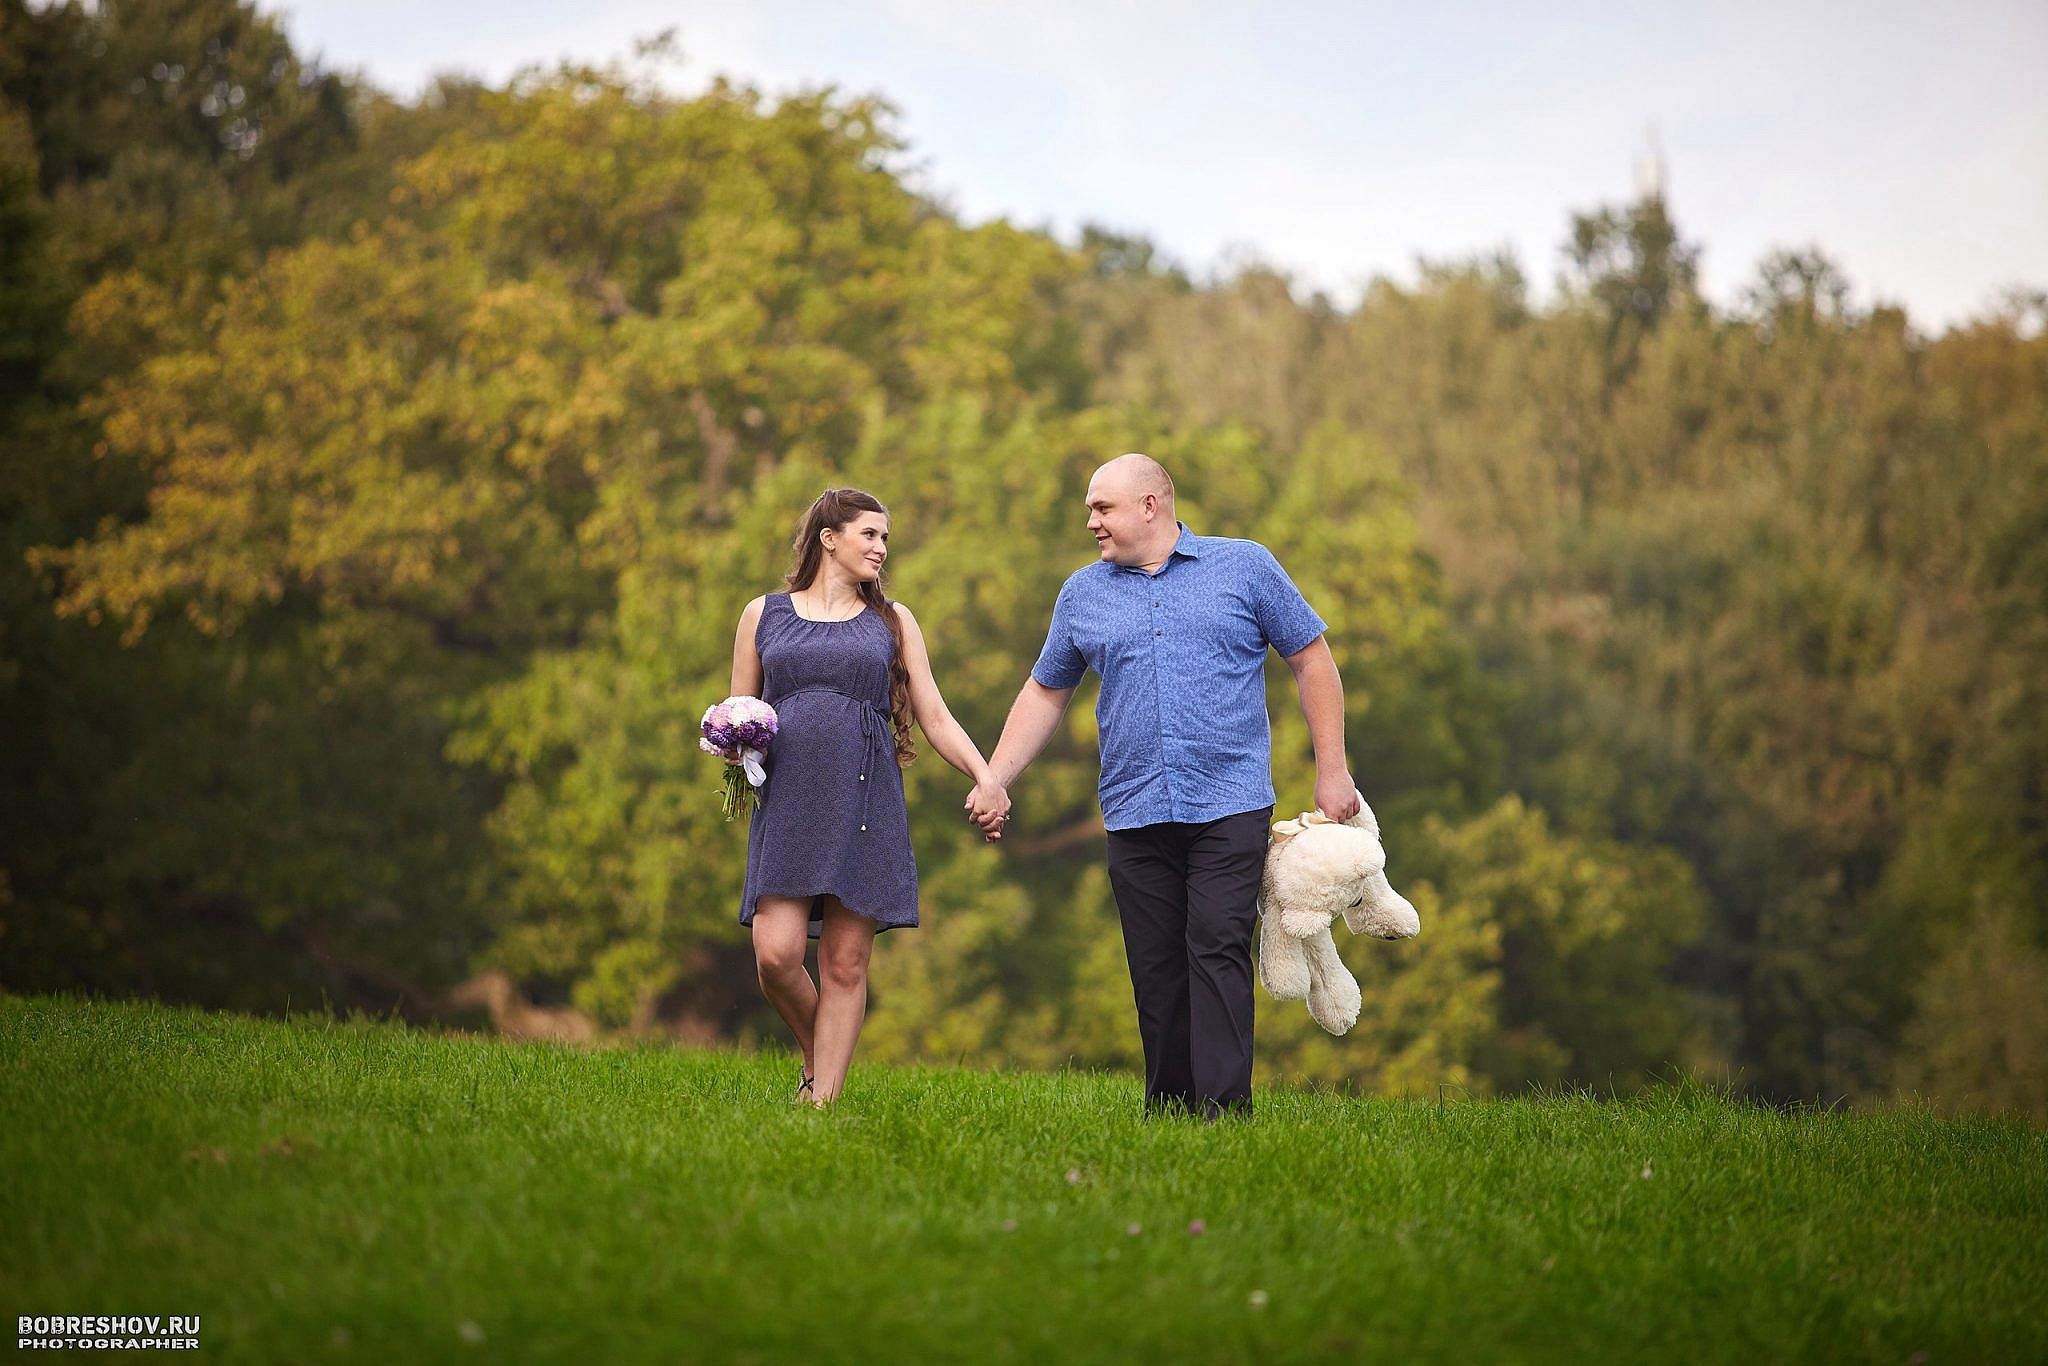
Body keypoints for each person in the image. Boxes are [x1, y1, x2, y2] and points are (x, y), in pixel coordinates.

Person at [974, 454, 1356, 1119]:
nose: (1090, 520)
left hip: (1229, 799)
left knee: (1215, 946)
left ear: (1151, 505)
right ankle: (1171, 1113)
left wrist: (1333, 769)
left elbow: (1311, 659)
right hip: (1133, 805)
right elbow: (1045, 692)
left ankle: (1224, 1115)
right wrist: (996, 778)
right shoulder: (1081, 593)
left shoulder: (1245, 567)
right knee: (1155, 968)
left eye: (1103, 507)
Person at [732, 488, 1009, 1107]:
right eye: (870, 535)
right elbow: (741, 707)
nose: (882, 548)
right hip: (788, 800)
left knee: (845, 964)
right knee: (775, 955)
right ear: (829, 539)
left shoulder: (893, 620)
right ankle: (818, 1050)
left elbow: (933, 714)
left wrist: (985, 776)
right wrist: (731, 742)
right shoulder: (763, 614)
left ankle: (820, 1102)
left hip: (864, 797)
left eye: (886, 538)